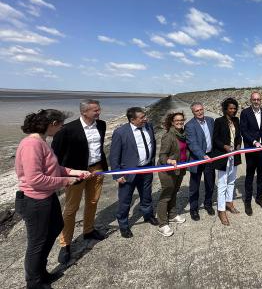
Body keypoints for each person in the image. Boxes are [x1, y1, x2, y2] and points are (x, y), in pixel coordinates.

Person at [14, 109, 90, 289]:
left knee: (56, 226)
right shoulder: (31, 145)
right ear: (53, 124)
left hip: (47, 197)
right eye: (61, 125)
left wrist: (74, 171)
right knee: (37, 242)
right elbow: (35, 179)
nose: (62, 128)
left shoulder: (42, 142)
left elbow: (52, 168)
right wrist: (67, 181)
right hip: (34, 201)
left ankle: (41, 273)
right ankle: (34, 282)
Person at [51, 99, 108, 265]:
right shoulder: (67, 130)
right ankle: (65, 243)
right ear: (84, 112)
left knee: (92, 201)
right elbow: (56, 156)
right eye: (95, 111)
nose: (99, 112)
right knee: (71, 208)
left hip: (97, 169)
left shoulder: (102, 125)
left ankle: (88, 230)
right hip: (76, 173)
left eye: (99, 109)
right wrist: (64, 176)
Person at [110, 107, 158, 238]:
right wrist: (117, 175)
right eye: (142, 117)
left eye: (145, 116)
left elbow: (152, 143)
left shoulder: (148, 126)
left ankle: (148, 215)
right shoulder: (120, 132)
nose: (145, 119)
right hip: (128, 172)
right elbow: (114, 156)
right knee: (125, 200)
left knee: (146, 195)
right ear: (132, 119)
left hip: (147, 168)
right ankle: (124, 225)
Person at [156, 112, 189, 237]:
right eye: (177, 120)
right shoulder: (168, 136)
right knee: (166, 196)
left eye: (181, 120)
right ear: (172, 122)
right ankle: (162, 224)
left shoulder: (182, 134)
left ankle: (173, 214)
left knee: (174, 192)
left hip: (179, 169)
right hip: (167, 171)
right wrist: (169, 161)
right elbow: (162, 155)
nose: (180, 122)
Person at [211, 98, 242, 226]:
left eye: (234, 108)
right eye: (230, 108)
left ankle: (229, 203)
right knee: (222, 183)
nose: (233, 111)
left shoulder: (236, 120)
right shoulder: (218, 121)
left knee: (232, 181)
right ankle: (221, 210)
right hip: (223, 155)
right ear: (225, 109)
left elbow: (238, 135)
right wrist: (225, 147)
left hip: (234, 155)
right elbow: (215, 139)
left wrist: (239, 144)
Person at [184, 102, 216, 221]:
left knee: (210, 183)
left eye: (201, 109)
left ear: (204, 109)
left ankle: (208, 204)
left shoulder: (210, 120)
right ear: (193, 112)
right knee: (194, 186)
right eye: (197, 111)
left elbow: (215, 137)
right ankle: (194, 209)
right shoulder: (189, 125)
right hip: (197, 159)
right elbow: (192, 144)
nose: (200, 112)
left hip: (210, 157)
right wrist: (202, 155)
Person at [240, 91, 262, 216]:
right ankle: (247, 202)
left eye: (258, 99)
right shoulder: (245, 113)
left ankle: (259, 198)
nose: (256, 101)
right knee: (250, 176)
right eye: (254, 99)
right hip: (251, 150)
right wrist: (254, 141)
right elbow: (243, 131)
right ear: (250, 100)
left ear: (260, 100)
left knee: (261, 175)